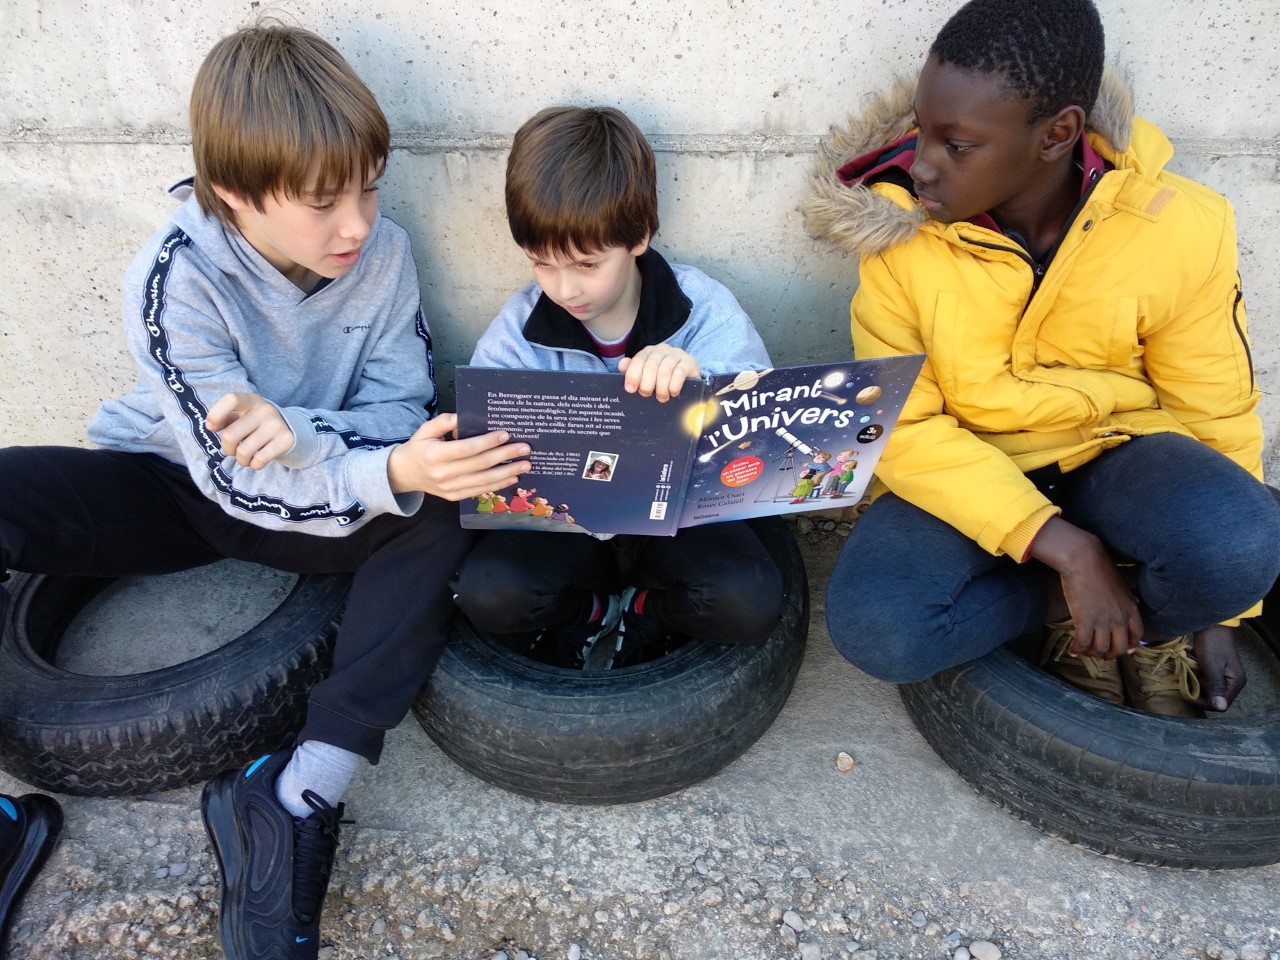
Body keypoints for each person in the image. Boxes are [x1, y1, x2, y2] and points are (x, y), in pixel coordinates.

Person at [0, 24, 530, 960]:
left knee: (448, 495)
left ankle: (296, 793)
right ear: (236, 193)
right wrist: (354, 460)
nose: (357, 225)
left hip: (309, 481)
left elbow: (397, 407)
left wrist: (324, 443)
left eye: (369, 187)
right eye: (324, 202)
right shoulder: (174, 277)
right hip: (169, 486)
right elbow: (230, 479)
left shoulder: (384, 252)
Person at [802, 0, 1280, 716]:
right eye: (923, 131)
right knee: (882, 629)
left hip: (1117, 452)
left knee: (1243, 545)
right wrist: (1065, 551)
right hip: (969, 465)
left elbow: (1216, 403)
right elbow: (903, 428)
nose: (922, 166)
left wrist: (1221, 613)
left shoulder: (1180, 226)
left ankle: (1137, 622)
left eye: (957, 145)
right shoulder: (901, 238)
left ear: (1057, 134)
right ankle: (1077, 602)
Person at [452, 106, 785, 669]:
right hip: (569, 533)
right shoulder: (519, 327)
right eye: (541, 264)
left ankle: (647, 610)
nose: (564, 289)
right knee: (485, 593)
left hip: (677, 528)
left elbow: (761, 420)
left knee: (749, 601)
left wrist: (696, 379)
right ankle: (590, 613)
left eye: (586, 264)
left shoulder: (702, 306)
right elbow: (484, 439)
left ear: (638, 237)